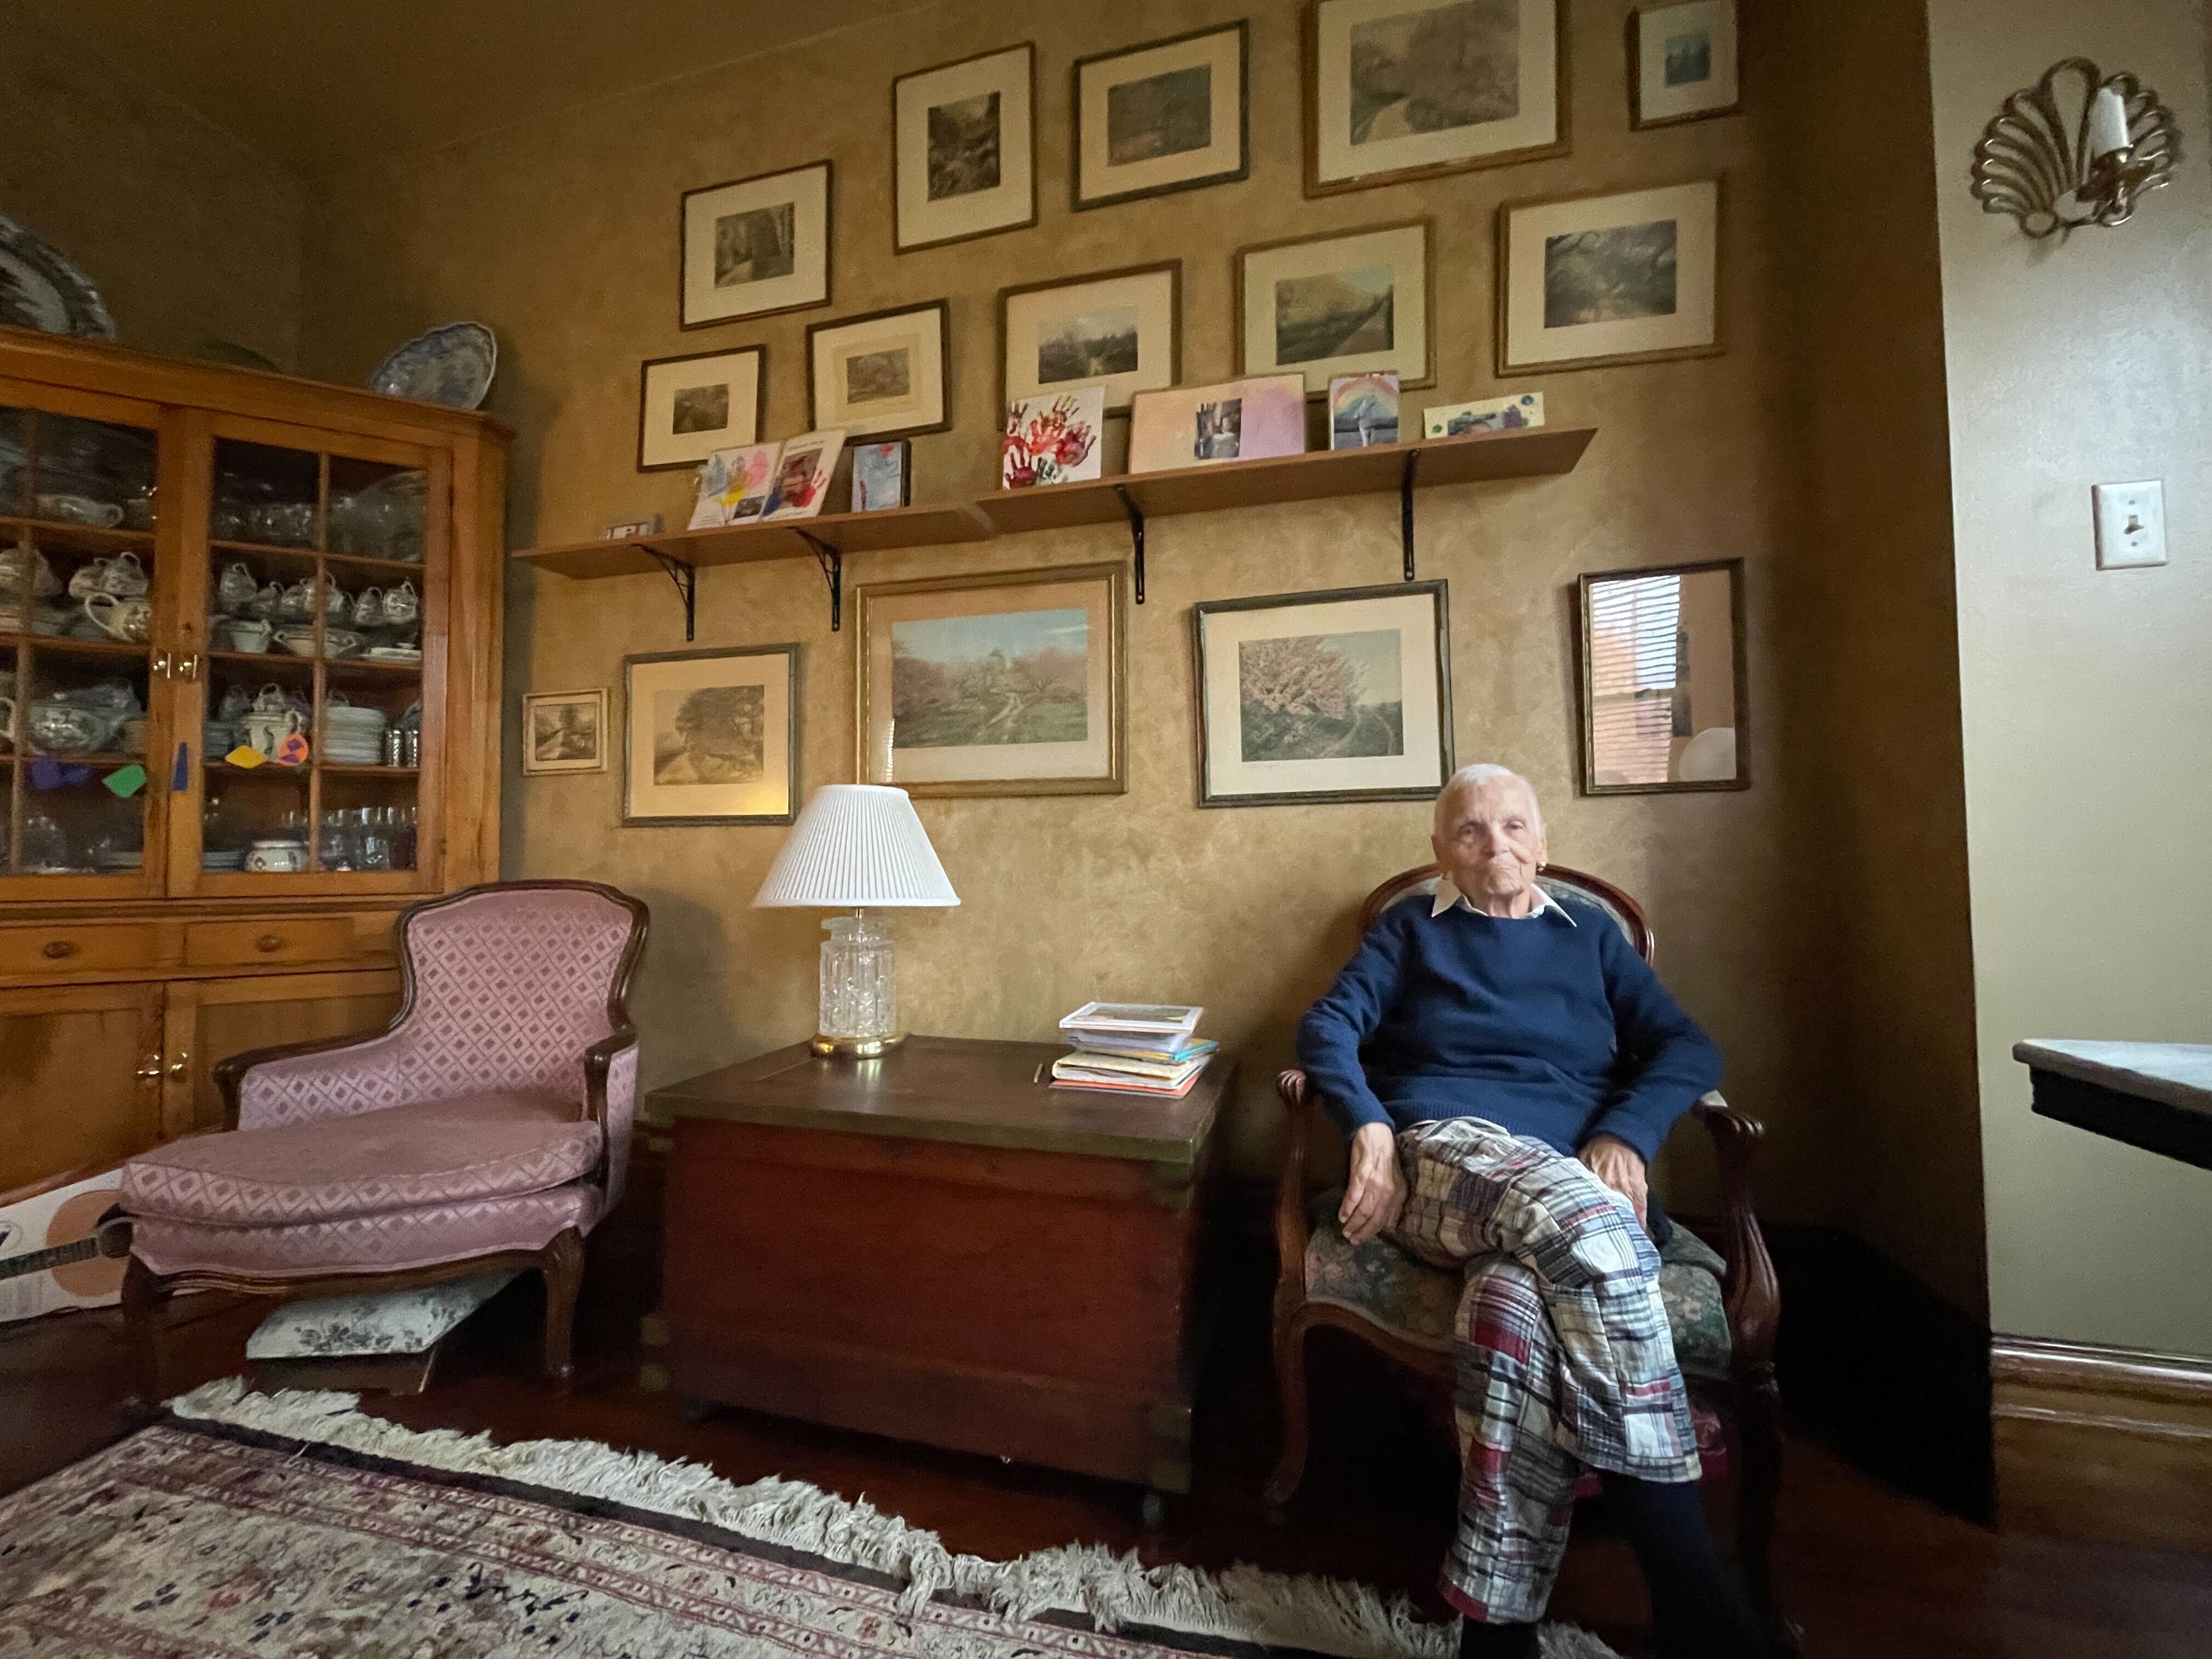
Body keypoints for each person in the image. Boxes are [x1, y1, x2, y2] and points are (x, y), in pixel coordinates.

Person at [1296, 764, 1766, 1659]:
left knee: (1509, 1306)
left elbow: (1685, 1044)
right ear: (1441, 850)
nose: (1495, 845)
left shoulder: (1588, 935)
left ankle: (1496, 1629)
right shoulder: (1407, 932)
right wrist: (1368, 1128)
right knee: (1588, 1223)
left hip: (1558, 1186)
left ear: (1543, 842)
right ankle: (1693, 1598)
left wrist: (1625, 1133)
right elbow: (1327, 1027)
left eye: (1514, 826)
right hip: (1441, 1159)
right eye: (1470, 830)